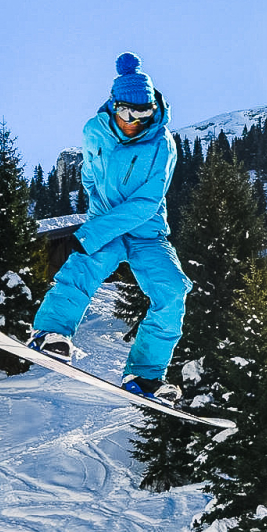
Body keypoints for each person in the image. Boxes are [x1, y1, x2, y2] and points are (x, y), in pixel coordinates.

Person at [27, 52, 192, 404]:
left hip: (147, 230)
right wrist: (95, 212)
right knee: (86, 265)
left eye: (142, 114)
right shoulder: (94, 131)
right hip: (105, 219)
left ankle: (145, 375)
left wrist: (92, 232)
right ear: (114, 106)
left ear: (152, 110)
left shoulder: (163, 144)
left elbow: (148, 202)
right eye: (126, 113)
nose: (133, 122)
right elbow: (89, 173)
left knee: (173, 290)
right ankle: (51, 333)